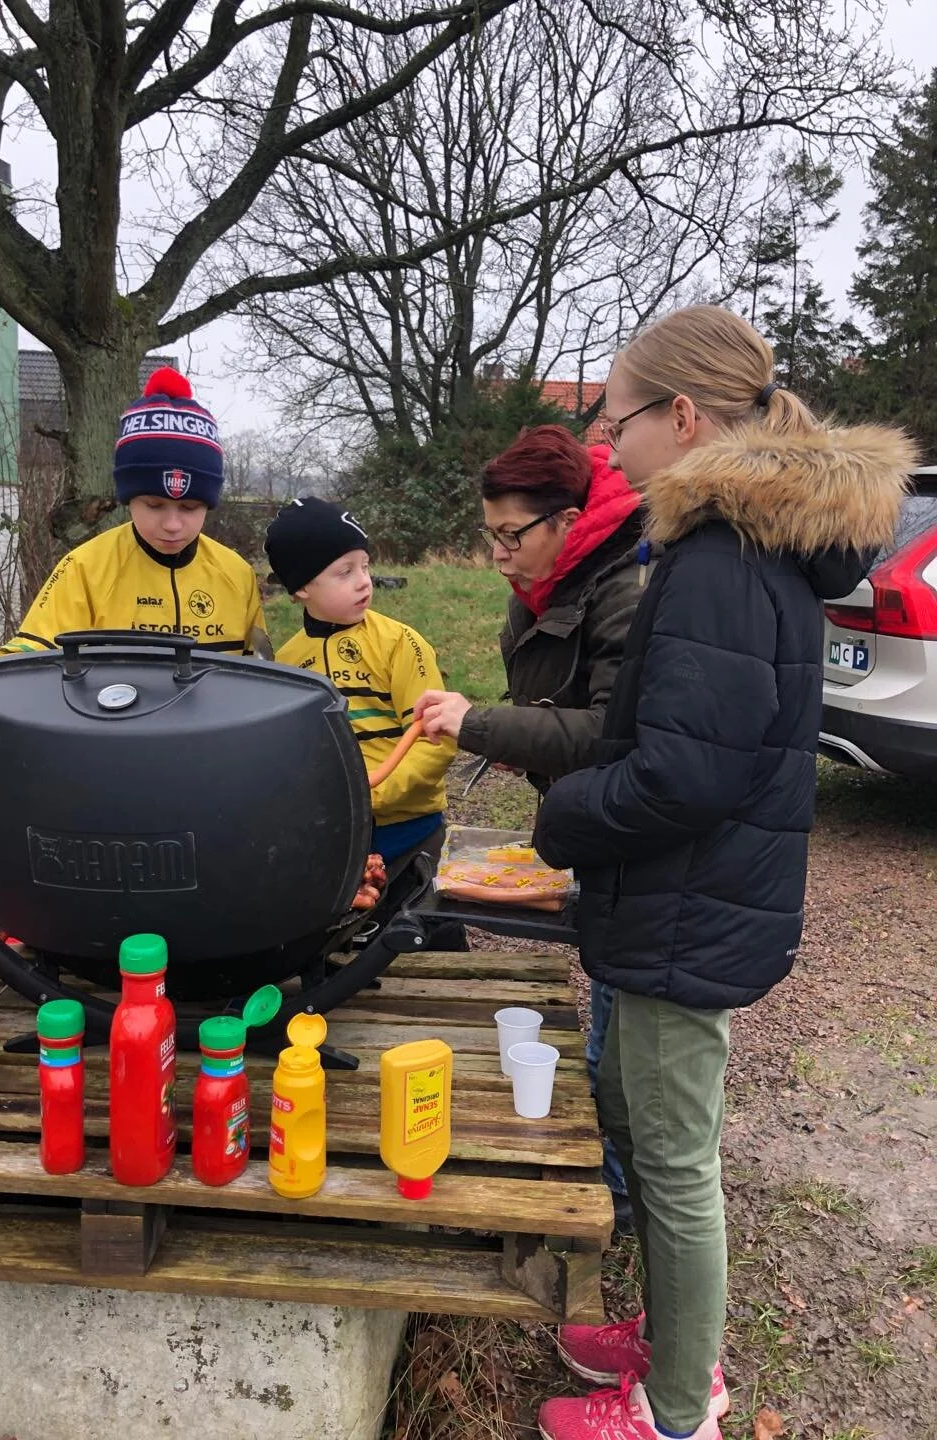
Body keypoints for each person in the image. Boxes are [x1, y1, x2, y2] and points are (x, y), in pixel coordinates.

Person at [532, 305, 914, 1440]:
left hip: (683, 906)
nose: (607, 441)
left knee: (673, 1156)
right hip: (691, 898)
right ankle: (668, 1344)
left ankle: (671, 1406)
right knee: (647, 1128)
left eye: (618, 415)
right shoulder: (754, 547)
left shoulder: (715, 561)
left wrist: (565, 811)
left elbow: (680, 780)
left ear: (682, 416)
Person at [414, 424, 645, 1230]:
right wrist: (517, 741)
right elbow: (558, 706)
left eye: (512, 535)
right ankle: (608, 1172)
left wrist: (484, 724)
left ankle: (613, 1191)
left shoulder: (626, 584)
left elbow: (613, 730)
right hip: (590, 818)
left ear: (569, 519)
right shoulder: (551, 584)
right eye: (490, 535)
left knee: (619, 1016)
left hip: (629, 832)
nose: (498, 555)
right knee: (606, 1000)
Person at [0, 367, 268, 658]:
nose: (173, 524)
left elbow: (262, 675)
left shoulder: (237, 575)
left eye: (190, 507)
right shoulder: (84, 569)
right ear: (128, 498)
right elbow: (24, 659)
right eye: (154, 505)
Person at [264, 497, 455, 864]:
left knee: (419, 918)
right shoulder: (288, 661)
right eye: (344, 571)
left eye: (365, 566)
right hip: (334, 833)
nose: (363, 582)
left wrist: (374, 794)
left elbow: (437, 739)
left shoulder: (400, 642)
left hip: (411, 829)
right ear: (302, 587)